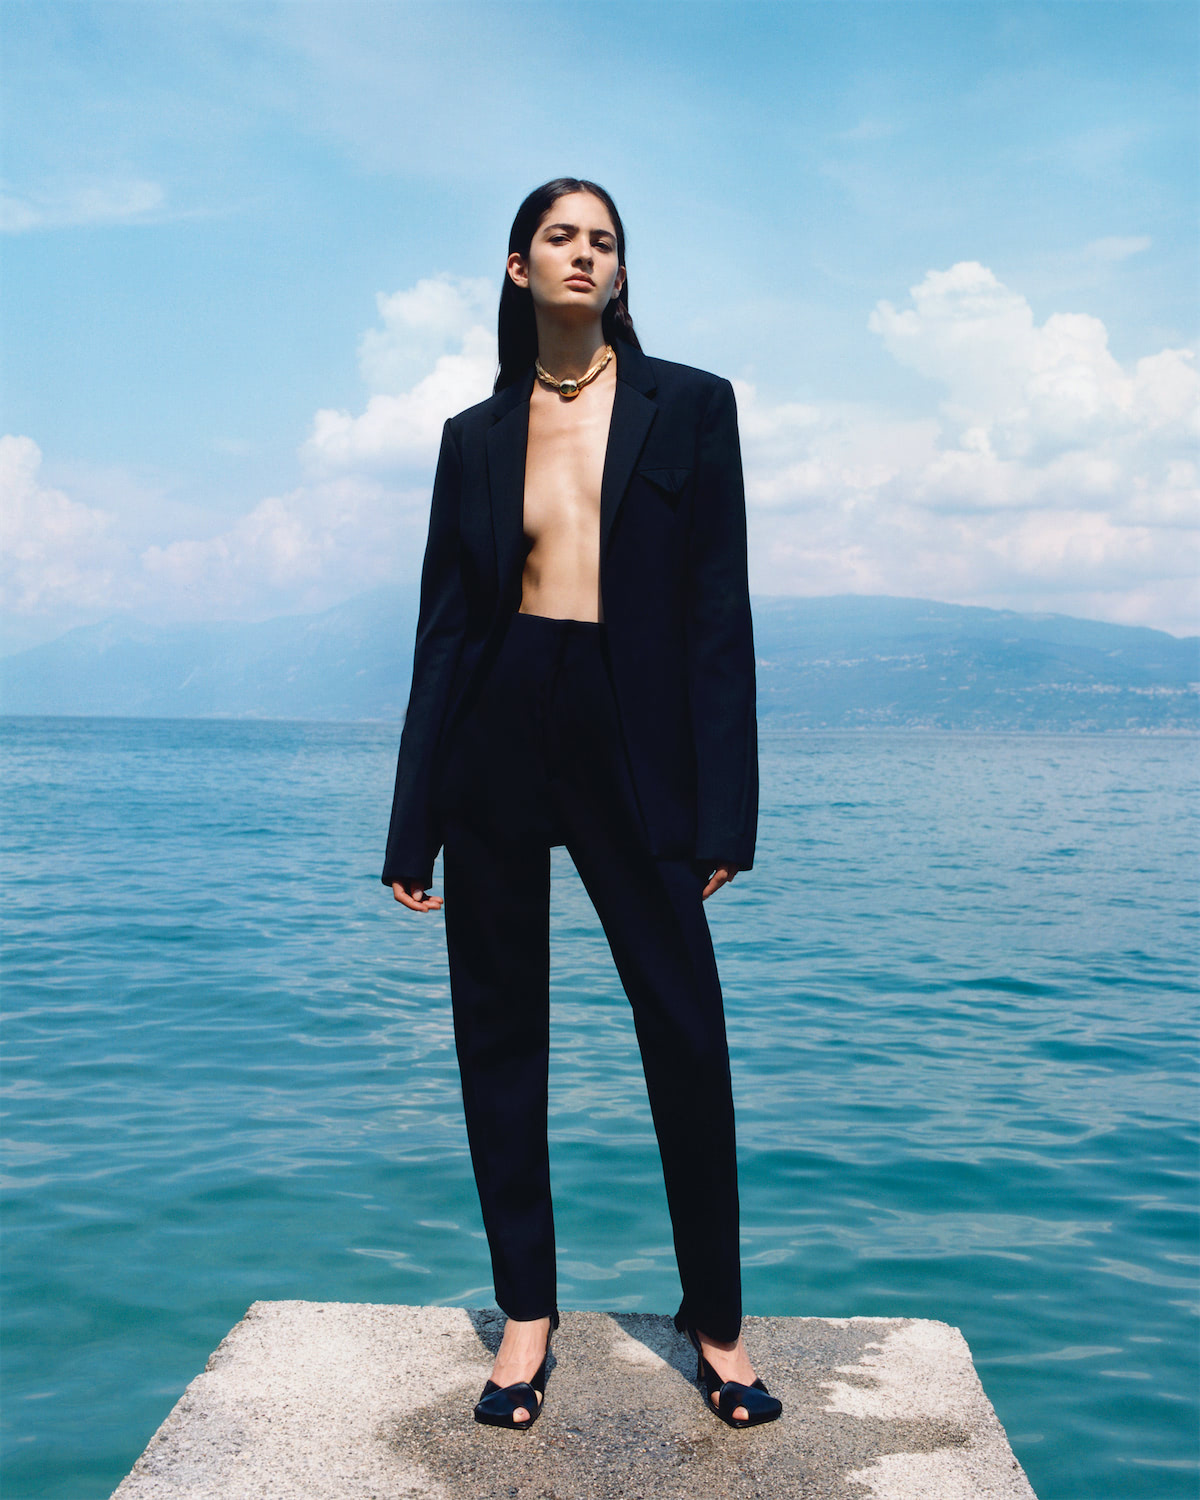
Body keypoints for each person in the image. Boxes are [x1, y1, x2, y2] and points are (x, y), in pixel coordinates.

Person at [382, 178, 781, 1432]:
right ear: (518, 268)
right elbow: (444, 633)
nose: (586, 254)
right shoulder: (475, 435)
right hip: (503, 719)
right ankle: (527, 1322)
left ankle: (716, 1324)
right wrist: (411, 816)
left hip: (633, 730)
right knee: (500, 1029)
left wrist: (730, 809)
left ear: (620, 273)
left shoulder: (691, 407)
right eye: (562, 236)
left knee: (685, 1027)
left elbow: (720, 614)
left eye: (605, 241)